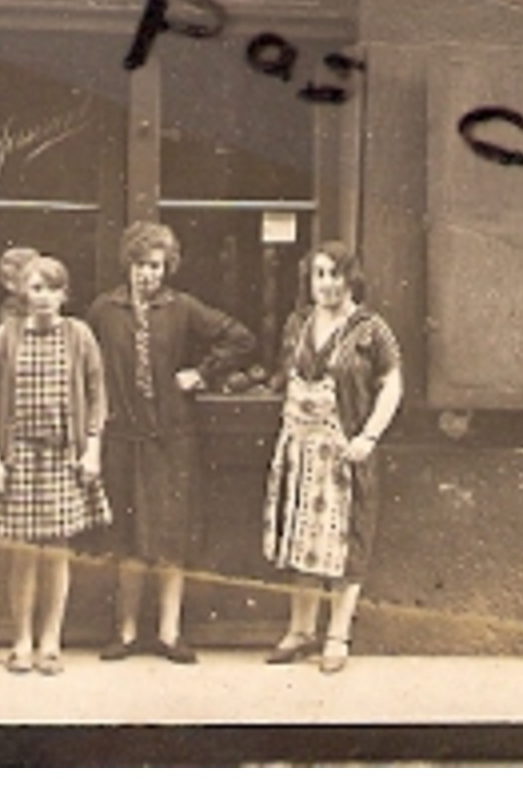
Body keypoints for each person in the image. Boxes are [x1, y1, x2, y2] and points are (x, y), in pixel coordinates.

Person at [87, 222, 255, 664]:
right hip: (123, 439)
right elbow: (83, 360)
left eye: (157, 266)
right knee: (126, 538)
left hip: (171, 440)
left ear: (168, 267)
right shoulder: (105, 310)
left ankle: (168, 632)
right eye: (141, 265)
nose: (148, 274)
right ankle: (124, 633)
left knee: (170, 538)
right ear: (129, 264)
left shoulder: (181, 308)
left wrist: (202, 372)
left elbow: (239, 337)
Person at [262, 241, 402, 674]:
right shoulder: (298, 323)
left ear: (351, 278)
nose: (327, 284)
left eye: (335, 274)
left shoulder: (370, 329)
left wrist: (369, 436)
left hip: (345, 453)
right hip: (301, 450)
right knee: (301, 541)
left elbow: (393, 384)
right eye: (319, 274)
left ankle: (337, 635)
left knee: (346, 546)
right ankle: (300, 630)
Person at [0, 256, 110, 675]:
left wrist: (92, 449)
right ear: (22, 293)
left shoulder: (79, 336)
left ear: (64, 294)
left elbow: (97, 395)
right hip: (18, 459)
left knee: (56, 552)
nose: (45, 298)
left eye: (53, 289)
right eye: (36, 289)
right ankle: (21, 641)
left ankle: (50, 641)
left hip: (61, 458)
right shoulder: (5, 336)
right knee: (23, 555)